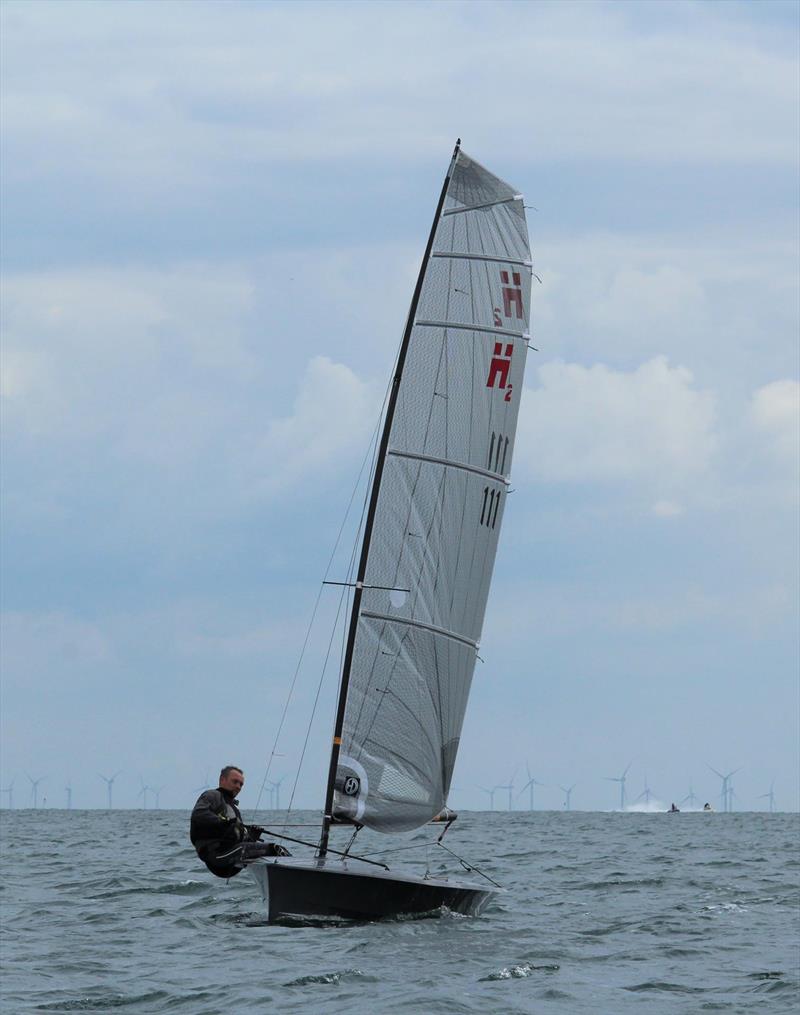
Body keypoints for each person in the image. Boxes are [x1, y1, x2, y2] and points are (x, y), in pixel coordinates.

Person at [190, 765, 289, 878]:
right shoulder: (212, 795)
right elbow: (199, 814)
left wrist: (252, 837)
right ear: (222, 780)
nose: (238, 786)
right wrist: (223, 821)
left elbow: (236, 838)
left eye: (241, 784)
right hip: (217, 856)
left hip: (231, 858)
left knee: (271, 853)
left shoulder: (234, 809)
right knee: (275, 849)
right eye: (235, 782)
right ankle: (296, 879)